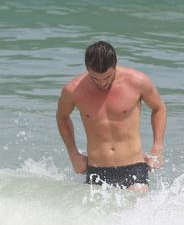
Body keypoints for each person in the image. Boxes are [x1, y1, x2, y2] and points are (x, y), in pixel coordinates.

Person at [56, 41, 166, 191]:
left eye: (107, 77)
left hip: (134, 167)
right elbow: (62, 117)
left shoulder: (137, 82)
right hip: (96, 169)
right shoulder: (73, 90)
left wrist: (157, 147)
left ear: (115, 64)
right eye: (95, 78)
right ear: (87, 68)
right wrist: (73, 154)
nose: (102, 83)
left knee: (137, 198)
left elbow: (158, 108)